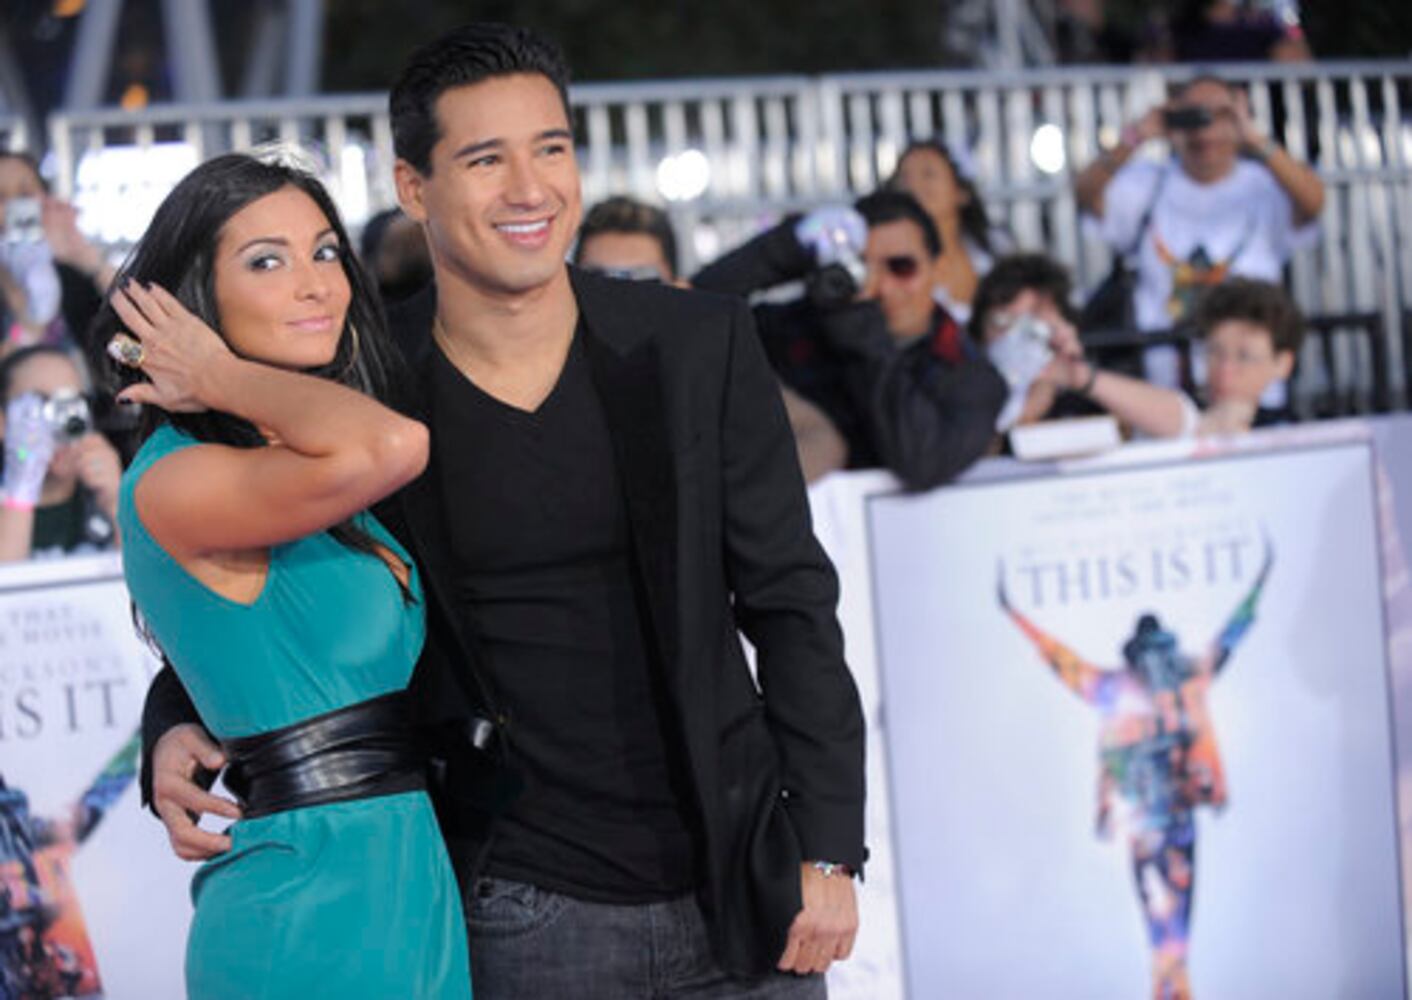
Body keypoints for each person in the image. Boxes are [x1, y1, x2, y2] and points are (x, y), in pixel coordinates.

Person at [141, 23, 865, 1000]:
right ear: (413, 187)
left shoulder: (695, 345)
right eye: (486, 160)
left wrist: (827, 842)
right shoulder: (365, 398)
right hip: (518, 912)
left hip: (738, 886)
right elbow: (275, 591)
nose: (531, 189)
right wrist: (175, 715)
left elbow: (791, 602)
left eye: (550, 149)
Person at [100, 152, 470, 999]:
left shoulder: (307, 465)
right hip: (307, 903)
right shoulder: (177, 477)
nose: (315, 284)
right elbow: (396, 444)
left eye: (326, 252)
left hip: (405, 883)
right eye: (266, 261)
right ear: (196, 299)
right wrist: (219, 375)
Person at [999, 545, 1273, 1000]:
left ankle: (1171, 989)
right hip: (1159, 818)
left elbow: (1066, 663)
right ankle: (1172, 990)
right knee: (1168, 921)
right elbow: (1227, 639)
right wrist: (1017, 618)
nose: (1153, 664)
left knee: (1168, 922)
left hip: (1159, 818)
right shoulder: (1167, 680)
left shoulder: (1143, 684)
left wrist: (1259, 586)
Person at [693, 189, 1006, 490]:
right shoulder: (803, 327)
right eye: (862, 267)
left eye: (901, 267)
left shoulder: (968, 371)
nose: (882, 286)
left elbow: (920, 459)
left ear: (937, 269)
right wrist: (785, 250)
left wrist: (862, 337)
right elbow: (694, 321)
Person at [575, 194, 848, 482]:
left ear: (678, 291)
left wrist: (724, 492)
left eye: (642, 281)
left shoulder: (713, 365)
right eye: (599, 280)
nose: (620, 299)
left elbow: (820, 439)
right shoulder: (551, 364)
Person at [1073, 75, 1323, 387]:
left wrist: (1255, 138)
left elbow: (1314, 202)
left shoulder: (1265, 183)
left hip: (1253, 391)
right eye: (1194, 115)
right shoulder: (1149, 182)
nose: (1206, 130)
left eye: (1221, 115)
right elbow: (1085, 193)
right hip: (1162, 386)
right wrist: (1136, 136)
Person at [1038, 276, 1306, 437]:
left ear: (1283, 364)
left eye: (1244, 356)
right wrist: (1081, 377)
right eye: (1214, 352)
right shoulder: (1176, 412)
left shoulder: (1293, 433)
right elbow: (1179, 418)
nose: (1225, 369)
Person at [0, 345, 122, 561]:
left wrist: (117, 501)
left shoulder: (107, 497)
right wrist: (22, 485)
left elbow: (148, 576)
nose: (61, 421)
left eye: (73, 403)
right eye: (40, 405)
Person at [0, 152, 115, 356]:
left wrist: (87, 257)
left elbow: (133, 329)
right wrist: (25, 329)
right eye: (1, 197)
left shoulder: (70, 269)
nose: (13, 206)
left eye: (25, 194)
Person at [888, 139, 1010, 322]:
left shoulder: (996, 248)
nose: (913, 186)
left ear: (961, 192)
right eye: (904, 178)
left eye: (928, 174)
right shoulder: (889, 261)